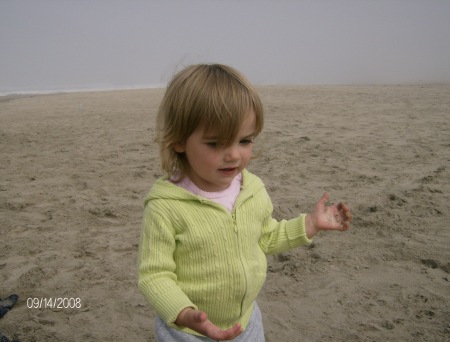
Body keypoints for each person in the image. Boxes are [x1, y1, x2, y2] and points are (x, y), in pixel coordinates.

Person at [138, 64, 352, 341]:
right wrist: (183, 313)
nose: (233, 156)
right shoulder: (165, 207)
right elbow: (154, 275)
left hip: (246, 323)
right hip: (188, 332)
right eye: (215, 143)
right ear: (179, 140)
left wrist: (310, 224)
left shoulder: (252, 190)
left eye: (244, 140)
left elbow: (265, 237)